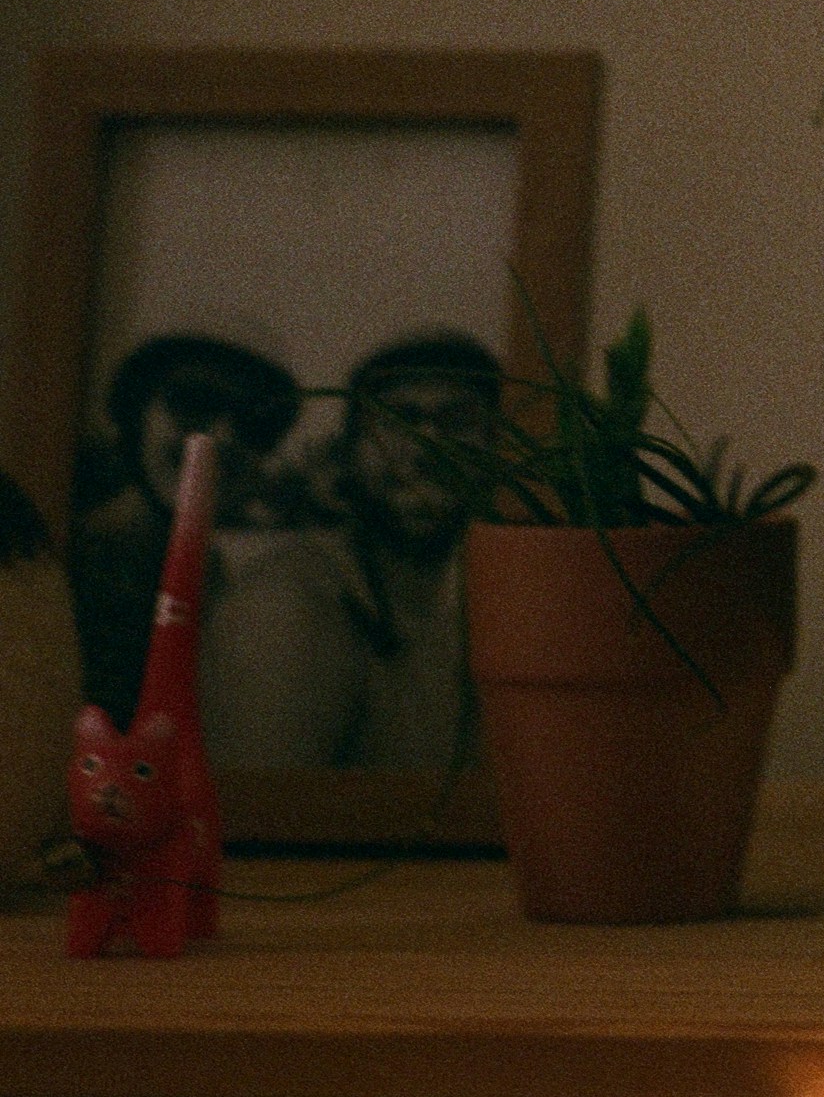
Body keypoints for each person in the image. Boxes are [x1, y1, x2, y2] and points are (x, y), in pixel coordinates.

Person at [199, 331, 501, 772]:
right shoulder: (286, 605)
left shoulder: (510, 605)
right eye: (398, 419)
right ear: (351, 451)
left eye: (457, 420)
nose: (424, 447)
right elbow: (267, 815)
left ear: (498, 448)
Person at [67, 335, 302, 727]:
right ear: (135, 411)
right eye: (195, 402)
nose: (224, 438)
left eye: (256, 424)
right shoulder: (72, 557)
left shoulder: (214, 574)